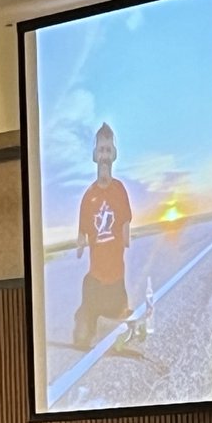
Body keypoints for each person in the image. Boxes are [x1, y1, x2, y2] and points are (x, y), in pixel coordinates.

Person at [74, 122, 134, 349]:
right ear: (94, 155)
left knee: (123, 330)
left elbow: (126, 221)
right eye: (101, 150)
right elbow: (83, 230)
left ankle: (114, 326)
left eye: (108, 150)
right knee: (84, 332)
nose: (105, 155)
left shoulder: (120, 190)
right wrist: (80, 242)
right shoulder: (88, 197)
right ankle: (84, 323)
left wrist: (126, 237)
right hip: (96, 278)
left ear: (114, 154)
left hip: (117, 278)